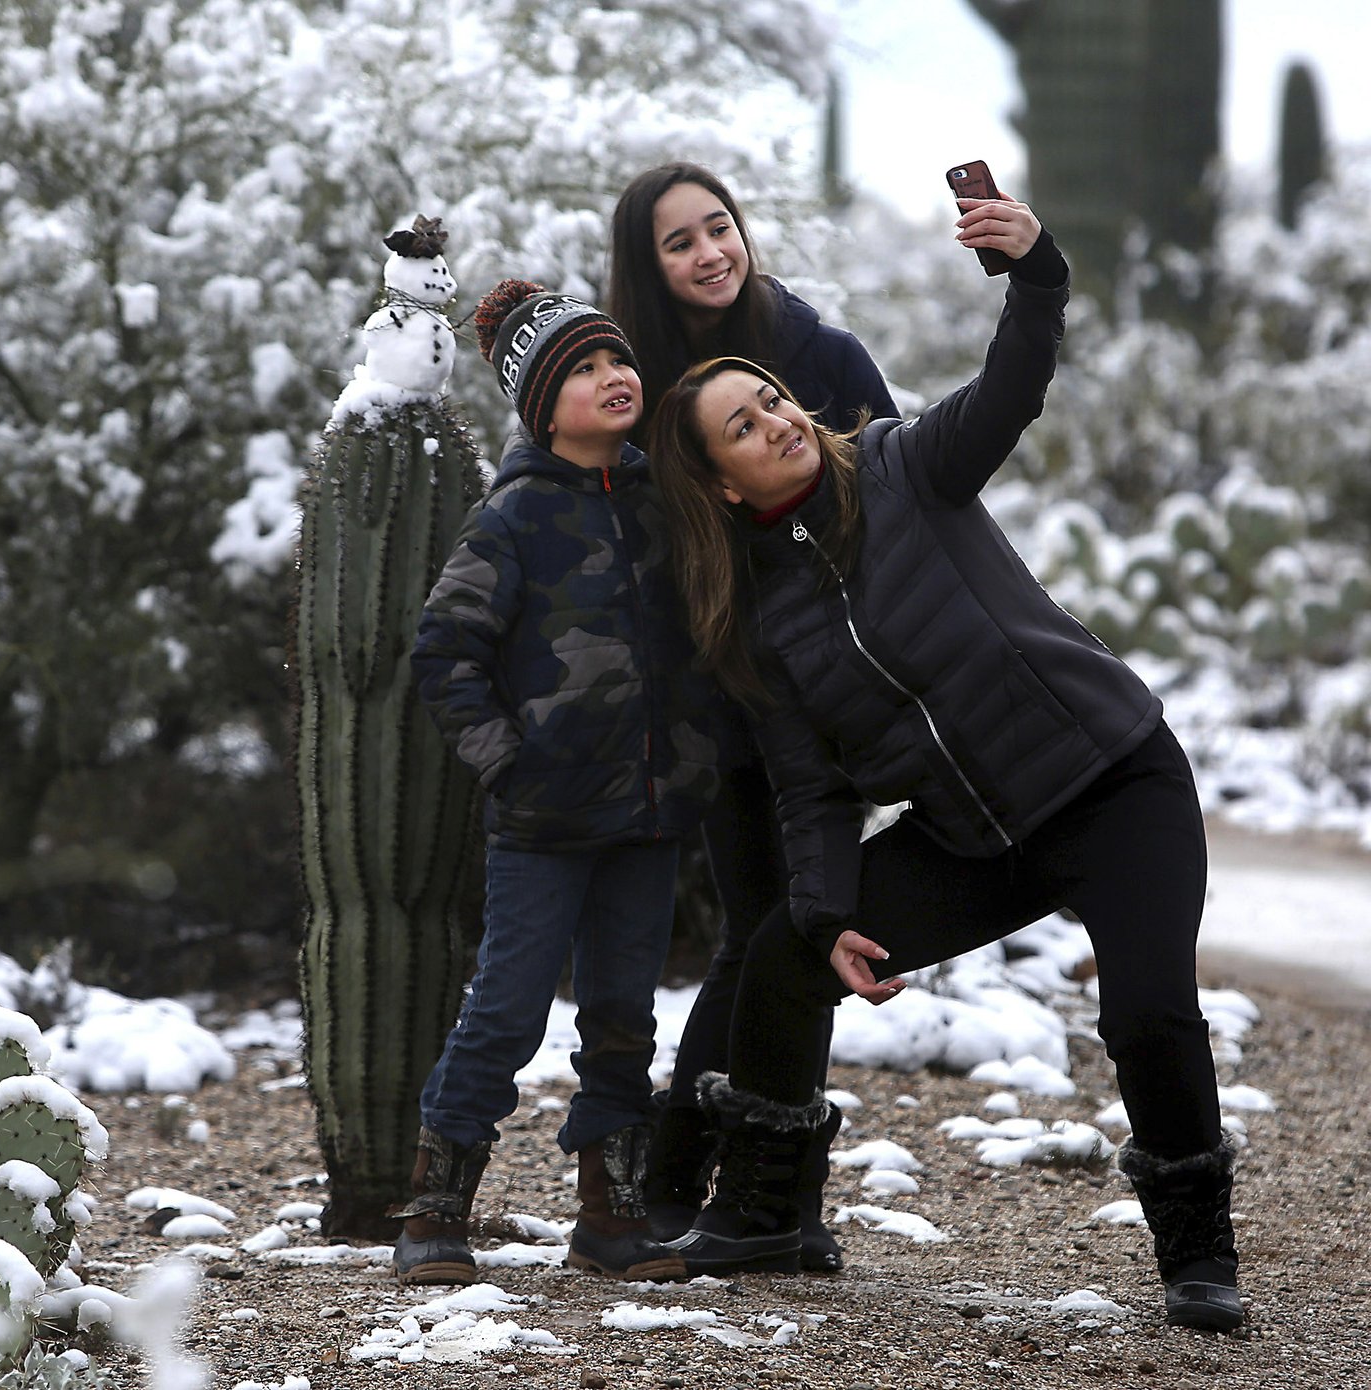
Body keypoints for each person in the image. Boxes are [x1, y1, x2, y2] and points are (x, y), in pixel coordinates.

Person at [643, 194, 1245, 1333]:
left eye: (768, 399)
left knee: (1148, 1014)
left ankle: (1195, 1252)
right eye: (741, 425)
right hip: (979, 839)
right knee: (781, 955)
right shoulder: (759, 625)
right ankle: (771, 1210)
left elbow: (1008, 387)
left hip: (1113, 780)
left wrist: (1035, 274)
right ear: (720, 483)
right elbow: (810, 787)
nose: (773, 421)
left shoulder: (903, 466)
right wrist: (827, 919)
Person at [606, 161, 899, 1272]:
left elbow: (900, 480)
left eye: (716, 228)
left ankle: (728, 1184)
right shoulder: (634, 381)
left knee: (797, 927)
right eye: (677, 242)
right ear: (650, 266)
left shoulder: (817, 353)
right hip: (717, 703)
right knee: (767, 930)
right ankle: (703, 1179)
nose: (706, 253)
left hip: (829, 687)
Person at [400, 280, 722, 1287]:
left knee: (623, 1012)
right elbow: (442, 647)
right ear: (541, 406)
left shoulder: (664, 500)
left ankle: (610, 1214)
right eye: (580, 369)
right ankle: (436, 1205)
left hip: (649, 814)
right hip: (542, 822)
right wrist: (506, 756)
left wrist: (700, 753)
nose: (609, 377)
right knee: (504, 1009)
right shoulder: (514, 515)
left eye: (613, 359)